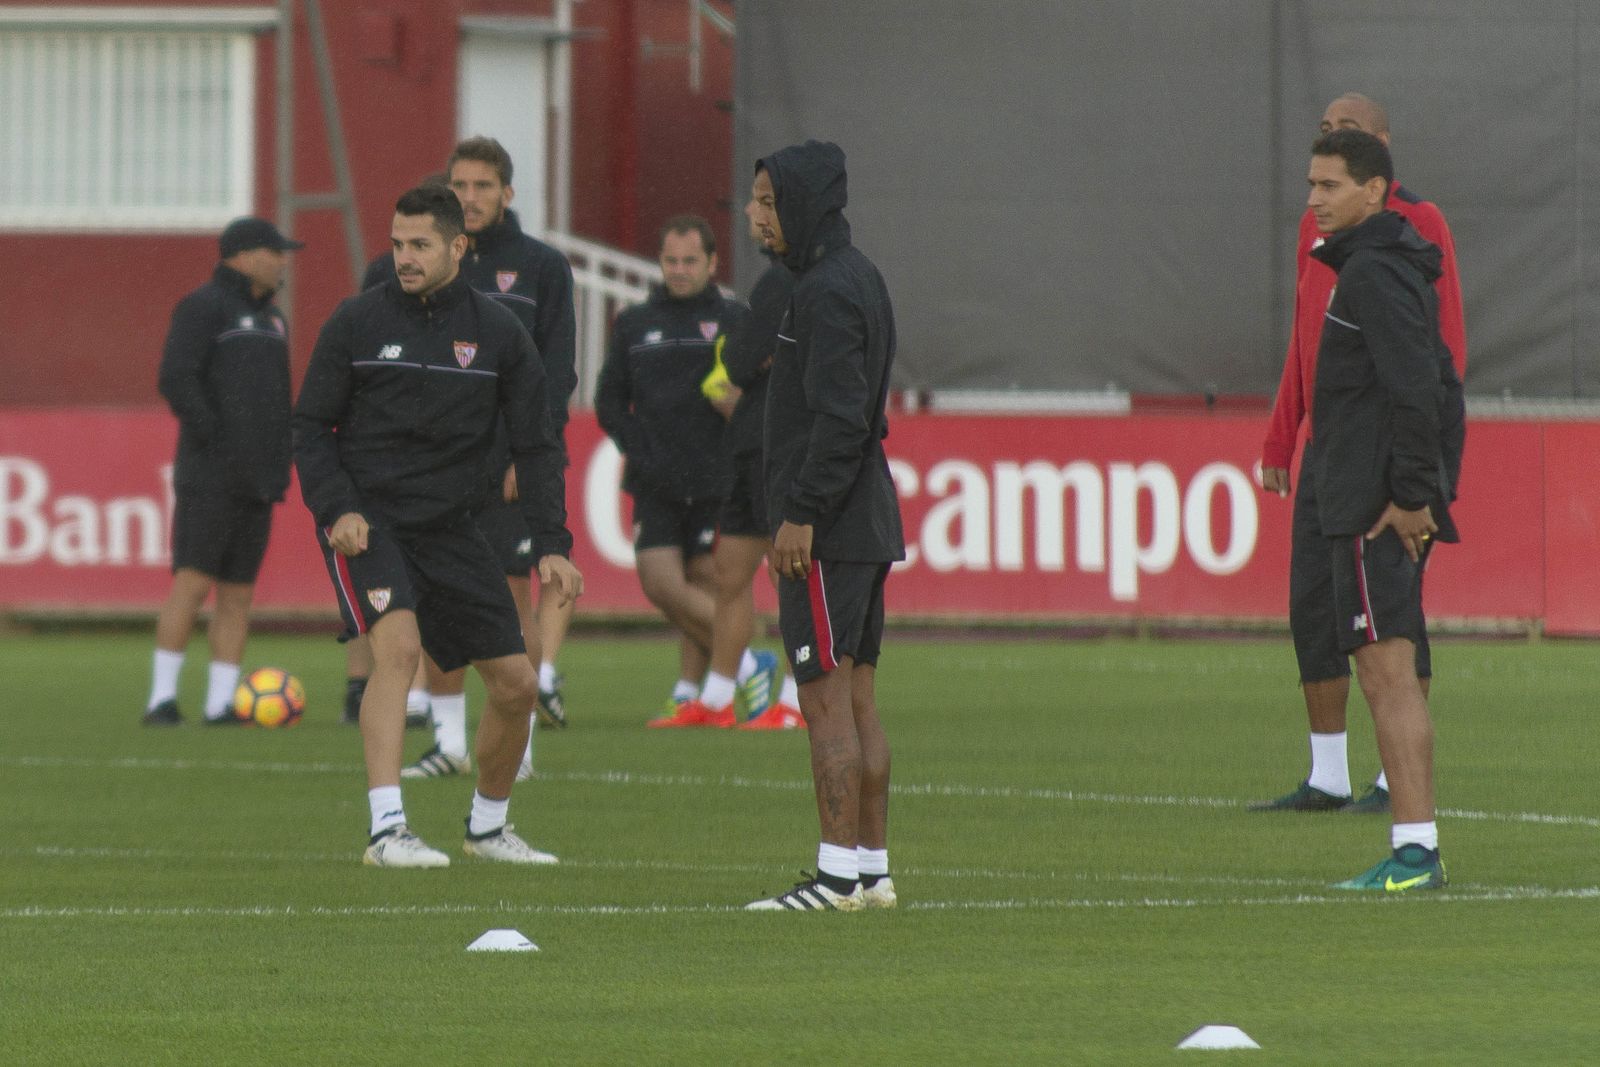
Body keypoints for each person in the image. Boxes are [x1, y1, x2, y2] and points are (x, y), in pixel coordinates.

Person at [293, 184, 581, 867]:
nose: (405, 257)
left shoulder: (498, 332)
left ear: (458, 247)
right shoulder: (356, 321)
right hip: (371, 524)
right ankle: (387, 832)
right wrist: (337, 509)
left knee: (517, 685)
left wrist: (552, 543)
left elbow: (537, 443)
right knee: (397, 652)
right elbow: (308, 427)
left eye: (420, 244)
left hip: (453, 527)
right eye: (397, 244)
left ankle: (487, 829)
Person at [1252, 93, 1467, 815]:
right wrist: (1284, 434)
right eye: (1322, 135)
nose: (1315, 193)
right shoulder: (1325, 236)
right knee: (1318, 607)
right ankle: (1330, 777)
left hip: (1386, 458)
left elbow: (1434, 363)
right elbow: (1305, 341)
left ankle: (1399, 802)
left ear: (1378, 163)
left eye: (1343, 142)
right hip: (1335, 447)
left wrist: (1421, 481)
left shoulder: (1407, 234)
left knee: (1391, 632)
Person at [372, 140, 579, 778]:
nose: (470, 196)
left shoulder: (542, 267)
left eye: (483, 186)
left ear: (507, 193)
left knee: (513, 597)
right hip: (438, 471)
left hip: (510, 466)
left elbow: (557, 373)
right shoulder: (421, 265)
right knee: (438, 601)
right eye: (459, 184)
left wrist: (528, 457)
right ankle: (450, 743)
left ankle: (520, 746)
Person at [1292, 130, 1463, 890]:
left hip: (1373, 506)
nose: (1315, 200)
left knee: (1389, 675)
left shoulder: (1372, 274)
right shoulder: (1374, 266)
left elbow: (1421, 387)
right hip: (1367, 498)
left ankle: (1416, 852)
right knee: (1381, 671)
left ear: (1374, 191)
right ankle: (1413, 847)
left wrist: (1413, 496)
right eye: (1311, 185)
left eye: (1329, 185)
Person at [741, 141, 905, 911]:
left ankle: (835, 876)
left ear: (804, 204)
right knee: (858, 696)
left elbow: (841, 419)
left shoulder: (825, 293)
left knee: (823, 698)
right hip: (864, 516)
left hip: (829, 527)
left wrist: (800, 511)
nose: (755, 216)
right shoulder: (854, 276)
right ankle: (871, 871)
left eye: (769, 201)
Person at [595, 216, 772, 727]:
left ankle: (689, 692)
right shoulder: (634, 323)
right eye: (670, 261)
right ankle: (749, 664)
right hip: (655, 479)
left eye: (689, 261)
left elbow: (757, 392)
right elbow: (609, 402)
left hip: (719, 478)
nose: (678, 270)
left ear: (712, 263)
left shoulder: (735, 319)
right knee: (661, 584)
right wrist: (639, 448)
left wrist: (737, 412)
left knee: (705, 584)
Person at [142, 217, 302, 727]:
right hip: (210, 474)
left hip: (260, 478)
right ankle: (161, 700)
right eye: (275, 252)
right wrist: (216, 438)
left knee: (238, 593)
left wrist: (278, 455)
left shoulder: (274, 319)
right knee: (192, 582)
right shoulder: (202, 307)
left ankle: (220, 704)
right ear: (244, 255)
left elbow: (278, 397)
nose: (282, 261)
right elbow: (176, 377)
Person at [691, 237, 805, 731]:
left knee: (789, 575)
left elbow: (739, 359)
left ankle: (797, 700)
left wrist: (757, 354)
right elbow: (741, 357)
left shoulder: (784, 280)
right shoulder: (779, 280)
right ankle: (717, 699)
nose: (753, 217)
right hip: (748, 443)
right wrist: (756, 353)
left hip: (777, 446)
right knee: (729, 573)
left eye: (763, 206)